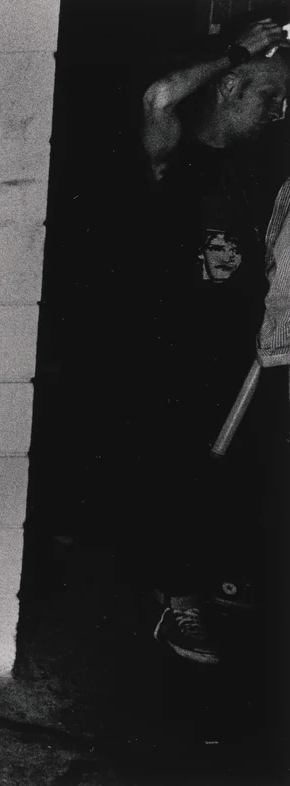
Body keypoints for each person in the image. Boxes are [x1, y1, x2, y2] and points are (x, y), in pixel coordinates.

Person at [140, 18, 289, 664]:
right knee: (179, 467)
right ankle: (178, 603)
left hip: (240, 342)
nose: (279, 111)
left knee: (229, 465)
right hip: (173, 342)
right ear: (231, 89)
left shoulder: (261, 166)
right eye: (269, 96)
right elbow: (160, 96)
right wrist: (241, 50)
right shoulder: (176, 153)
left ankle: (217, 577)